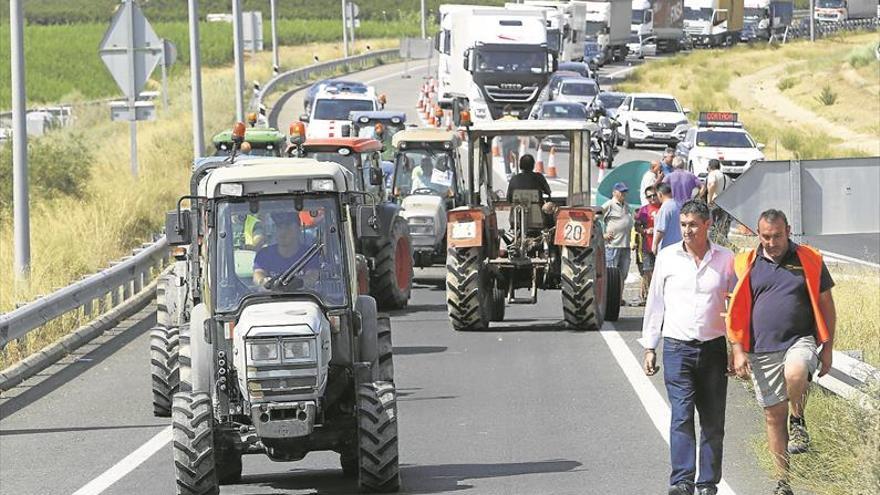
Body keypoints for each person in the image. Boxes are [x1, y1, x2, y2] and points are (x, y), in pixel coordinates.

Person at [727, 209, 837, 495]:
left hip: (800, 339)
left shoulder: (809, 259)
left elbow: (827, 305)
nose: (771, 242)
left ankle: (798, 418)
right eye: (765, 237)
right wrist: (737, 351)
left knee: (797, 370)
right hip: (762, 350)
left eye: (777, 236)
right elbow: (735, 312)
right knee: (773, 418)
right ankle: (783, 482)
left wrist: (828, 348)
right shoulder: (746, 264)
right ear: (758, 234)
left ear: (788, 230)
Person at [640, 200, 737, 495]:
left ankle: (707, 483)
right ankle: (682, 480)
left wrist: (737, 348)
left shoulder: (726, 259)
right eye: (683, 225)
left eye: (693, 225)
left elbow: (736, 304)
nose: (687, 231)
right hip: (677, 349)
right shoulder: (668, 257)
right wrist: (650, 346)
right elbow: (655, 302)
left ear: (707, 225)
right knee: (681, 415)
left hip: (713, 350)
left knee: (712, 420)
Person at [253, 212, 320, 287]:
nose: (283, 231)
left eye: (288, 226)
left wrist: (298, 283)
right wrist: (265, 282)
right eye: (279, 227)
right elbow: (258, 274)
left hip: (304, 297)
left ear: (298, 229)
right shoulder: (264, 254)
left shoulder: (310, 254)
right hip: (271, 297)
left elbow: (312, 277)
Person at [602, 182, 634, 306]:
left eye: (624, 192)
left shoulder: (626, 205)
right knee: (611, 274)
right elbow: (596, 217)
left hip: (625, 244)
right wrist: (603, 235)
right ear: (614, 192)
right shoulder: (609, 205)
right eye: (621, 192)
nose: (623, 194)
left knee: (623, 273)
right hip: (613, 245)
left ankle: (618, 298)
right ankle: (609, 299)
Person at [635, 185, 661, 305]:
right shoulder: (644, 210)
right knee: (647, 272)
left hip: (662, 247)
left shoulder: (663, 208)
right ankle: (650, 296)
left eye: (654, 195)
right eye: (649, 196)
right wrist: (645, 231)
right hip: (647, 246)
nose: (652, 198)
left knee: (660, 272)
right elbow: (637, 226)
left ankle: (660, 296)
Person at [704, 159, 731, 243]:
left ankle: (712, 242)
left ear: (710, 167)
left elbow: (712, 184)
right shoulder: (726, 177)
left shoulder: (712, 174)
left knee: (711, 224)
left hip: (714, 202)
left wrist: (709, 199)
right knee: (721, 224)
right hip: (724, 203)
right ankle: (721, 242)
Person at [653, 183, 681, 254]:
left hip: (667, 247)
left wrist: (655, 244)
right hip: (678, 245)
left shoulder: (665, 208)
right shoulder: (678, 205)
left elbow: (661, 229)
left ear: (660, 194)